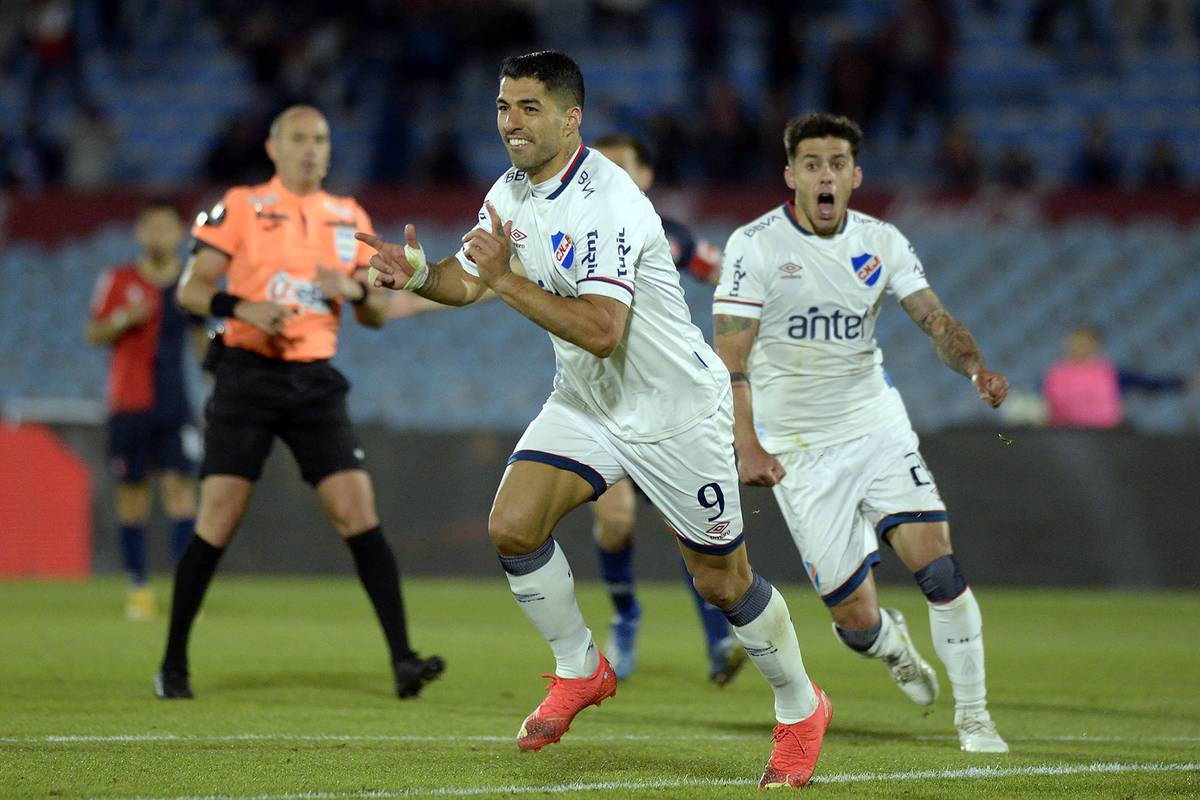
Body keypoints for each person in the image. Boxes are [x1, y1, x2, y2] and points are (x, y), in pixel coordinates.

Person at [360, 50, 831, 789]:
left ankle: (801, 708)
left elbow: (603, 328)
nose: (511, 123)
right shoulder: (511, 191)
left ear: (570, 118)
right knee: (512, 527)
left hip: (674, 414)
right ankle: (581, 667)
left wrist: (505, 278)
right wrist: (417, 273)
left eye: (529, 109)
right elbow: (466, 278)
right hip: (587, 402)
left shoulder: (609, 202)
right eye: (503, 107)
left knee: (723, 585)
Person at [713, 112, 1009, 753]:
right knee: (853, 619)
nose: (826, 176)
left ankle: (976, 718)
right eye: (813, 165)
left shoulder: (884, 242)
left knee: (939, 567)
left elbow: (934, 319)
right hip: (796, 449)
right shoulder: (755, 245)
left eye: (837, 165)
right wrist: (748, 442)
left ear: (855, 175)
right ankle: (889, 643)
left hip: (875, 425)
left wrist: (974, 367)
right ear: (791, 175)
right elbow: (731, 356)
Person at [155, 105, 443, 701]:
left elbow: (374, 316)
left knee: (358, 513)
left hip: (314, 381)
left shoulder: (350, 216)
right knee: (219, 518)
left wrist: (357, 288)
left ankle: (403, 660)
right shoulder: (239, 205)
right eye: (300, 139)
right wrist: (243, 309)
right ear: (273, 147)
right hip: (247, 376)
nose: (312, 149)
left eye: (321, 140)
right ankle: (173, 664)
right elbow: (191, 288)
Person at [586, 132, 742, 685]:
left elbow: (725, 273)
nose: (610, 176)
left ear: (646, 176)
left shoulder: (670, 236)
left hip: (669, 401)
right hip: (605, 401)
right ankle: (626, 616)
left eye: (622, 166)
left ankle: (719, 640)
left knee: (689, 528)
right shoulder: (577, 232)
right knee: (615, 517)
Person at [85, 200, 203, 621]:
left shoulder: (191, 284)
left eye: (166, 228)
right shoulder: (117, 279)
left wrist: (217, 381)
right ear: (139, 233)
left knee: (182, 495)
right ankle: (138, 588)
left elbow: (201, 343)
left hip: (176, 405)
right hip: (128, 404)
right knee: (132, 496)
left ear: (179, 233)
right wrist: (123, 319)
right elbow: (93, 332)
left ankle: (186, 594)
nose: (158, 236)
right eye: (151, 228)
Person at [1043, 325, 1196, 428]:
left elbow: (1148, 383)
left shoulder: (1109, 373)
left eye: (1084, 342)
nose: (1079, 347)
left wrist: (1183, 383)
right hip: (1064, 435)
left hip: (1105, 436)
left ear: (1094, 345)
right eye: (1075, 342)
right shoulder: (1055, 374)